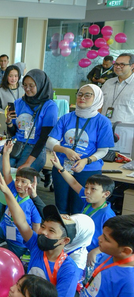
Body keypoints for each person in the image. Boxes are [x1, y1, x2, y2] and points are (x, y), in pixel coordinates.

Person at [0, 168, 81, 297]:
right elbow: (20, 222)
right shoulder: (36, 244)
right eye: (43, 227)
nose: (42, 232)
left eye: (51, 231)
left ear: (64, 241)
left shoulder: (68, 267)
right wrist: (6, 191)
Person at [0, 69, 58, 223]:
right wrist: (8, 122)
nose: (27, 89)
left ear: (40, 85)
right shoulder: (18, 103)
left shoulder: (50, 106)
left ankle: (17, 226)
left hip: (35, 149)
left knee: (19, 188)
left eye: (31, 85)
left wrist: (28, 163)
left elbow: (43, 139)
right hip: (16, 146)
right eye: (25, 85)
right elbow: (13, 131)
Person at [47, 84, 114, 214]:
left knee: (80, 208)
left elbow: (103, 150)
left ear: (97, 98)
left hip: (88, 169)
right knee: (61, 207)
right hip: (63, 167)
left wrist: (86, 160)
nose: (82, 97)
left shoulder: (103, 122)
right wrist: (65, 150)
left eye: (87, 95)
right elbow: (50, 142)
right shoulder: (67, 117)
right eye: (80, 94)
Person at [50, 158, 116, 262]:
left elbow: (114, 240)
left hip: (92, 254)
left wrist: (95, 251)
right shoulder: (88, 202)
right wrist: (61, 168)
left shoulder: (107, 214)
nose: (87, 192)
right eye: (86, 188)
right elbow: (74, 183)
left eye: (93, 189)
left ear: (106, 194)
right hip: (78, 246)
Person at [0, 141, 42, 257]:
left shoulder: (34, 204)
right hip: (3, 229)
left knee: (14, 260)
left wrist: (32, 246)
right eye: (17, 180)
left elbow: (36, 227)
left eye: (23, 182)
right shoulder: (13, 190)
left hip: (19, 241)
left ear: (32, 184)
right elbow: (7, 173)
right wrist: (6, 154)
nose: (19, 184)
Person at [102, 53, 134, 124]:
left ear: (132, 66)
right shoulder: (108, 83)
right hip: (104, 128)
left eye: (122, 64)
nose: (118, 67)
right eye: (116, 64)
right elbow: (100, 105)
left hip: (126, 131)